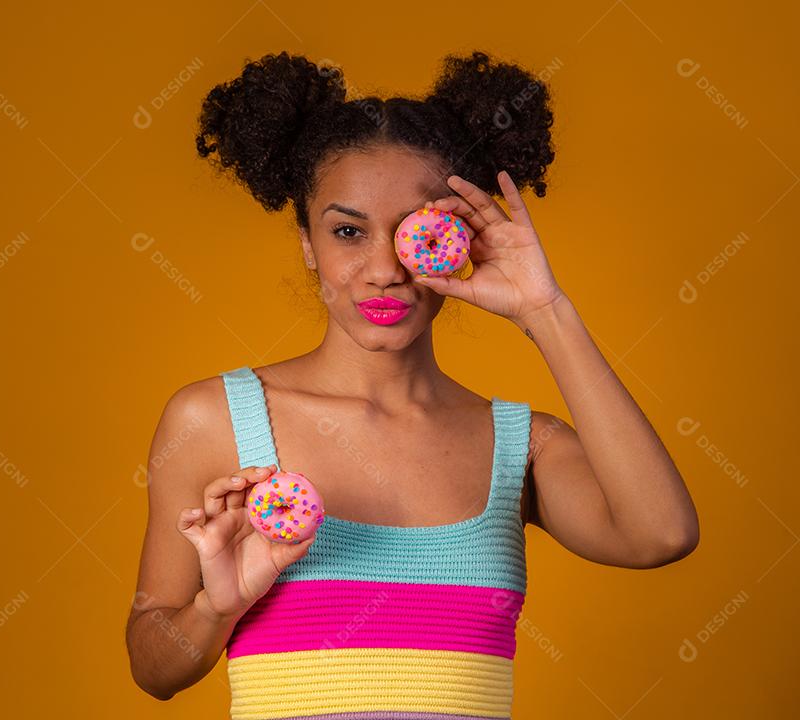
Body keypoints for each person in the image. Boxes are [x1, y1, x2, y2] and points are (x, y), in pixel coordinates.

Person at [125, 50, 699, 718]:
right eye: (347, 231)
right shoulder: (214, 419)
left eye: (416, 232)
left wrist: (543, 310)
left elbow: (661, 535)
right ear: (308, 242)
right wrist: (216, 607)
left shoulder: (523, 444)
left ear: (460, 240)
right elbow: (153, 667)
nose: (383, 271)